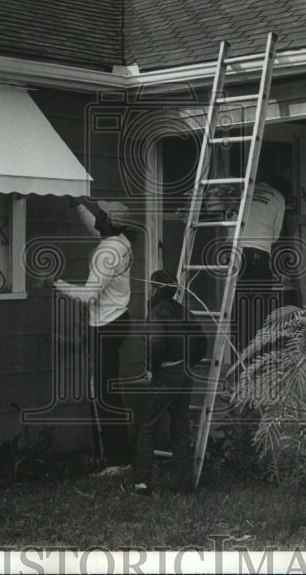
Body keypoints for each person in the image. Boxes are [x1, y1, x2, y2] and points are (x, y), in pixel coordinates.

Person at [54, 198, 134, 474]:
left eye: (99, 213)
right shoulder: (120, 240)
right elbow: (96, 228)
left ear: (107, 222)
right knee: (105, 390)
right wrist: (77, 204)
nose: (95, 214)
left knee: (104, 394)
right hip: (116, 320)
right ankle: (118, 456)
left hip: (106, 325)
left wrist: (56, 282)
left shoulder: (107, 253)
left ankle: (118, 461)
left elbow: (89, 295)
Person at [127, 270, 209, 497]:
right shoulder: (181, 309)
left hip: (167, 374)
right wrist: (189, 362)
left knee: (148, 426)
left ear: (155, 289)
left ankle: (142, 483)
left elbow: (155, 343)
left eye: (151, 287)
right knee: (180, 425)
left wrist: (154, 369)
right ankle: (183, 484)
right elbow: (202, 340)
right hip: (185, 373)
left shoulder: (156, 311)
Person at [234, 176, 291, 351]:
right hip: (260, 252)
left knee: (238, 302)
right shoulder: (279, 197)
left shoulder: (246, 191)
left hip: (238, 250)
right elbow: (275, 235)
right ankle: (257, 349)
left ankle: (238, 348)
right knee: (259, 303)